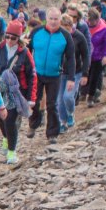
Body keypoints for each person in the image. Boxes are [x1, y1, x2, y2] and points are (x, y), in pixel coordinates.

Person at [0, 18, 36, 167]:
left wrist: (31, 98)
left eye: (13, 38)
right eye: (7, 36)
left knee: (10, 121)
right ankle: (5, 138)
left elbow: (32, 75)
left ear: (19, 38)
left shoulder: (25, 53)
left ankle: (12, 152)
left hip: (17, 92)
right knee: (1, 120)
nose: (9, 40)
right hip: (0, 91)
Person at [28, 8, 68, 141]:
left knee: (52, 104)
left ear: (60, 20)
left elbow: (71, 57)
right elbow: (26, 51)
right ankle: (33, 124)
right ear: (46, 18)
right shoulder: (36, 32)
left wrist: (72, 77)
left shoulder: (65, 36)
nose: (53, 21)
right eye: (51, 18)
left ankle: (52, 134)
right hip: (37, 73)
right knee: (35, 101)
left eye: (56, 19)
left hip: (54, 74)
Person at [86, 5, 106, 105]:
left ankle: (91, 97)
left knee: (94, 76)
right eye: (90, 21)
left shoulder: (104, 29)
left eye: (93, 21)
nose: (91, 23)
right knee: (87, 76)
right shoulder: (85, 27)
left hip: (99, 57)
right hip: (87, 56)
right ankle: (93, 92)